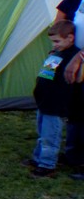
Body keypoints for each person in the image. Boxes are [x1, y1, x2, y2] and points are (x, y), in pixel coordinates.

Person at [28, 20, 78, 177]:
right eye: (52, 42)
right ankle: (38, 158)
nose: (54, 44)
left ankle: (47, 165)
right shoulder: (55, 54)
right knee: (42, 133)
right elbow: (45, 75)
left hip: (55, 106)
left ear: (70, 38)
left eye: (57, 41)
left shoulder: (73, 57)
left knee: (51, 136)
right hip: (44, 103)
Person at [56, 0, 84, 168]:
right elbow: (58, 27)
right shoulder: (74, 1)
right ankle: (73, 155)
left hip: (79, 60)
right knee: (75, 108)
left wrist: (79, 58)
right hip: (72, 60)